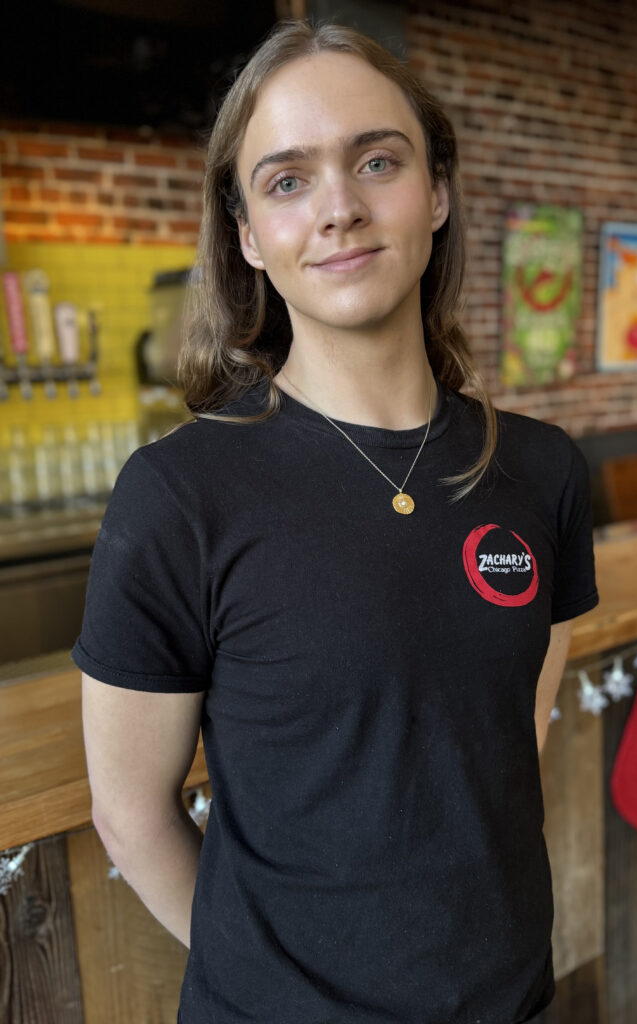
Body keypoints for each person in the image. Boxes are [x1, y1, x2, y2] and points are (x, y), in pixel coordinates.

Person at [72, 18, 599, 1024]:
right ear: (244, 235)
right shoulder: (178, 494)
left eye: (376, 161)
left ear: (435, 192)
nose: (339, 209)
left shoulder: (540, 470)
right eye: (286, 180)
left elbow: (507, 731)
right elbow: (130, 813)